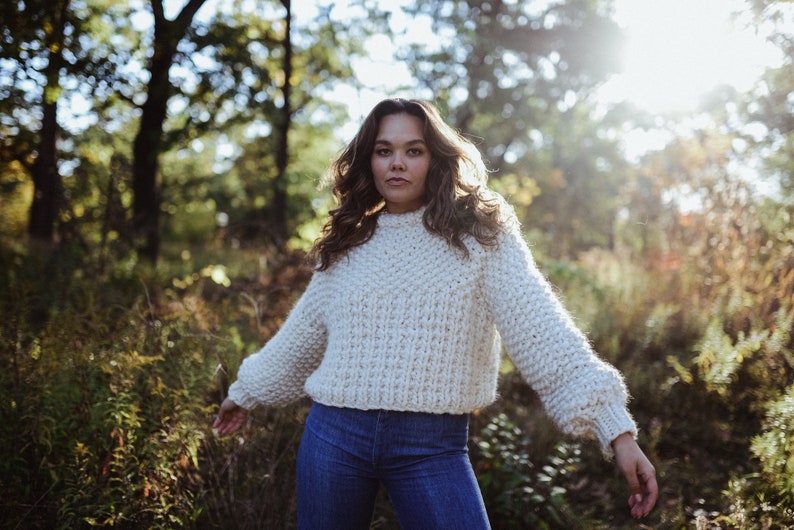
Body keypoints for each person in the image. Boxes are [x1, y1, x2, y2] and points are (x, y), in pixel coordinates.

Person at [213, 98, 658, 528]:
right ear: (369, 161)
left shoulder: (481, 238)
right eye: (383, 151)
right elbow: (301, 337)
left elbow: (541, 329)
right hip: (334, 438)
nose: (397, 163)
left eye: (414, 150)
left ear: (436, 159)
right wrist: (246, 391)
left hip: (430, 447)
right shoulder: (347, 243)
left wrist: (614, 429)